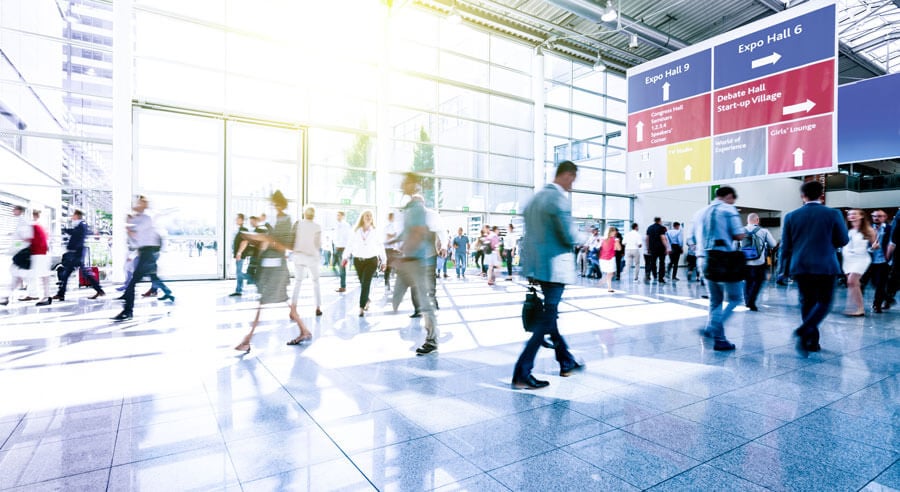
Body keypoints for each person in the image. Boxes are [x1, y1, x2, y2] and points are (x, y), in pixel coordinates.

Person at [512, 161, 583, 390]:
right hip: (554, 269)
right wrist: (586, 239)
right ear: (567, 175)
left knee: (549, 317)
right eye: (572, 179)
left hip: (536, 267)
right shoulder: (558, 200)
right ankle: (522, 372)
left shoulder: (534, 199)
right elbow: (569, 236)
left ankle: (566, 362)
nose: (572, 184)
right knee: (546, 320)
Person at [235, 190, 312, 352]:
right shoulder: (278, 220)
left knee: (263, 304)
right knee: (279, 303)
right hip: (272, 269)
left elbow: (280, 244)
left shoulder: (284, 221)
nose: (273, 206)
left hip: (275, 271)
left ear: (279, 203)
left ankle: (247, 340)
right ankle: (304, 330)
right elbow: (271, 241)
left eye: (274, 203)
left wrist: (259, 238)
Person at [780, 181, 848, 352]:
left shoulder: (791, 216)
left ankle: (811, 340)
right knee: (824, 302)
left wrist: (782, 270)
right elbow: (843, 240)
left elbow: (785, 247)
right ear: (821, 195)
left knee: (807, 302)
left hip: (801, 266)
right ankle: (805, 331)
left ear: (802, 196)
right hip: (825, 265)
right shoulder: (833, 214)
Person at [697, 186, 745, 351]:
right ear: (729, 196)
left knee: (715, 301)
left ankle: (720, 340)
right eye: (733, 199)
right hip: (725, 259)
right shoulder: (728, 209)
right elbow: (738, 234)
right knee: (736, 298)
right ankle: (711, 329)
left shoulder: (702, 212)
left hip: (706, 259)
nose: (733, 202)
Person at [395, 173, 439, 355]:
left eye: (405, 182)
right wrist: (395, 241)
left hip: (417, 260)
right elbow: (408, 231)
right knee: (417, 299)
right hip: (411, 259)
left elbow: (418, 232)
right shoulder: (409, 208)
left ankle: (432, 340)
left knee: (424, 300)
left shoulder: (417, 208)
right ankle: (432, 338)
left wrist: (403, 251)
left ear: (412, 185)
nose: (402, 184)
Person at [113, 196, 175, 321]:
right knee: (150, 277)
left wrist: (129, 225)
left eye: (140, 203)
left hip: (149, 253)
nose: (137, 205)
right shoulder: (138, 218)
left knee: (134, 281)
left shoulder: (146, 218)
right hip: (144, 253)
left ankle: (127, 310)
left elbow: (134, 232)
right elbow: (134, 238)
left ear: (144, 205)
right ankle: (128, 307)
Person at [53, 209, 105, 302]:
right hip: (76, 253)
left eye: (73, 215)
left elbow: (75, 233)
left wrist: (65, 229)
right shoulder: (81, 225)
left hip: (76, 253)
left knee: (70, 274)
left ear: (77, 215)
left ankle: (61, 294)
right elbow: (74, 233)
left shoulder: (81, 225)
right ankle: (99, 290)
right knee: (71, 273)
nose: (72, 217)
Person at [342, 210, 385, 317]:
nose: (369, 217)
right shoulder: (356, 230)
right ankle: (367, 300)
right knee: (363, 283)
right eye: (367, 215)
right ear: (362, 217)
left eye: (370, 216)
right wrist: (345, 257)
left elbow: (380, 246)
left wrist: (384, 261)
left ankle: (361, 307)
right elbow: (350, 244)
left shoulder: (375, 231)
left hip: (372, 260)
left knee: (366, 283)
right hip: (358, 260)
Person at [290, 205, 323, 318]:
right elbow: (318, 244)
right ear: (313, 215)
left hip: (298, 256)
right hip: (311, 257)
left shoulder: (298, 223)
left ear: (304, 213)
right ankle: (318, 307)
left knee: (298, 282)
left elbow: (292, 239)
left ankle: (293, 309)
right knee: (316, 282)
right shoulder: (317, 226)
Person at [841, 209, 875, 317]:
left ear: (861, 216)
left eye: (855, 214)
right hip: (847, 259)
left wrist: (874, 247)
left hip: (861, 258)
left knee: (852, 281)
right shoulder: (846, 229)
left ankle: (860, 309)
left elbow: (875, 245)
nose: (852, 216)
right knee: (852, 284)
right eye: (850, 214)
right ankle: (854, 307)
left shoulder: (868, 230)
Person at [741, 213, 777, 311]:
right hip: (759, 262)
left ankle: (747, 301)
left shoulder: (741, 231)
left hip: (745, 262)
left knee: (747, 282)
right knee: (757, 282)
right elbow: (773, 244)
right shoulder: (764, 231)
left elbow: (734, 245)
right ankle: (751, 302)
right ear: (757, 220)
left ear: (747, 220)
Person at [1, 206, 33, 306]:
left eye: (15, 209)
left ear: (20, 211)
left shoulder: (23, 221)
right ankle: (6, 297)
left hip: (23, 254)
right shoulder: (21, 221)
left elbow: (26, 239)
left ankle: (40, 295)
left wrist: (15, 245)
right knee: (17, 276)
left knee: (18, 275)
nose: (12, 211)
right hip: (22, 254)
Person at [866, 210, 891, 313]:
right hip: (870, 261)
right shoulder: (868, 230)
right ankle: (888, 298)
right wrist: (871, 248)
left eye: (880, 216)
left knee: (881, 283)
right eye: (874, 216)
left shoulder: (890, 229)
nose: (877, 218)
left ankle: (877, 305)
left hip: (884, 261)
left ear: (885, 217)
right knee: (874, 283)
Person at [29, 210, 54, 306]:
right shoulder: (43, 226)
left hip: (39, 254)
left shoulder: (35, 226)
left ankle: (45, 296)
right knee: (44, 277)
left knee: (42, 277)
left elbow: (29, 239)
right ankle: (46, 296)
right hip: (45, 253)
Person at [229, 213, 249, 297]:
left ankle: (253, 279)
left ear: (241, 220)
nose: (236, 220)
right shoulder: (240, 229)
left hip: (241, 255)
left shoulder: (244, 229)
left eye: (237, 218)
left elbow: (245, 242)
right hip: (239, 255)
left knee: (239, 273)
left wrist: (239, 252)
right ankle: (239, 290)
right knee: (239, 272)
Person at [645, 217, 670, 283]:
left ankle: (654, 275)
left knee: (653, 262)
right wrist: (666, 247)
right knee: (662, 262)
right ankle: (661, 278)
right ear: (659, 221)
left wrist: (648, 247)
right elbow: (663, 238)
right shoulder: (661, 228)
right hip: (661, 248)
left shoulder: (649, 228)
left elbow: (647, 239)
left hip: (652, 248)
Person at [333, 210, 351, 293]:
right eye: (337, 215)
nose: (337, 217)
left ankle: (343, 286)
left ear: (343, 216)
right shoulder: (336, 225)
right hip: (336, 249)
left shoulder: (346, 226)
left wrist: (347, 252)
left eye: (339, 215)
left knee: (342, 268)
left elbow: (348, 239)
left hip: (343, 249)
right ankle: (341, 282)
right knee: (334, 266)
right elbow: (335, 237)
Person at [383, 212, 401, 291]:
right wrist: (394, 235)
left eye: (392, 217)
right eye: (390, 217)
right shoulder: (386, 226)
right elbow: (387, 237)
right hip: (388, 249)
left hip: (395, 249)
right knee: (388, 267)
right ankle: (387, 283)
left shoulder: (396, 226)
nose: (392, 218)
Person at [599, 226, 620, 292]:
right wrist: (617, 242)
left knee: (610, 273)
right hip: (610, 258)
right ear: (611, 232)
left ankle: (609, 287)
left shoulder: (602, 239)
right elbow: (618, 248)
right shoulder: (615, 240)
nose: (615, 232)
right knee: (611, 273)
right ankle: (607, 285)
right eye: (614, 231)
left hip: (603, 258)